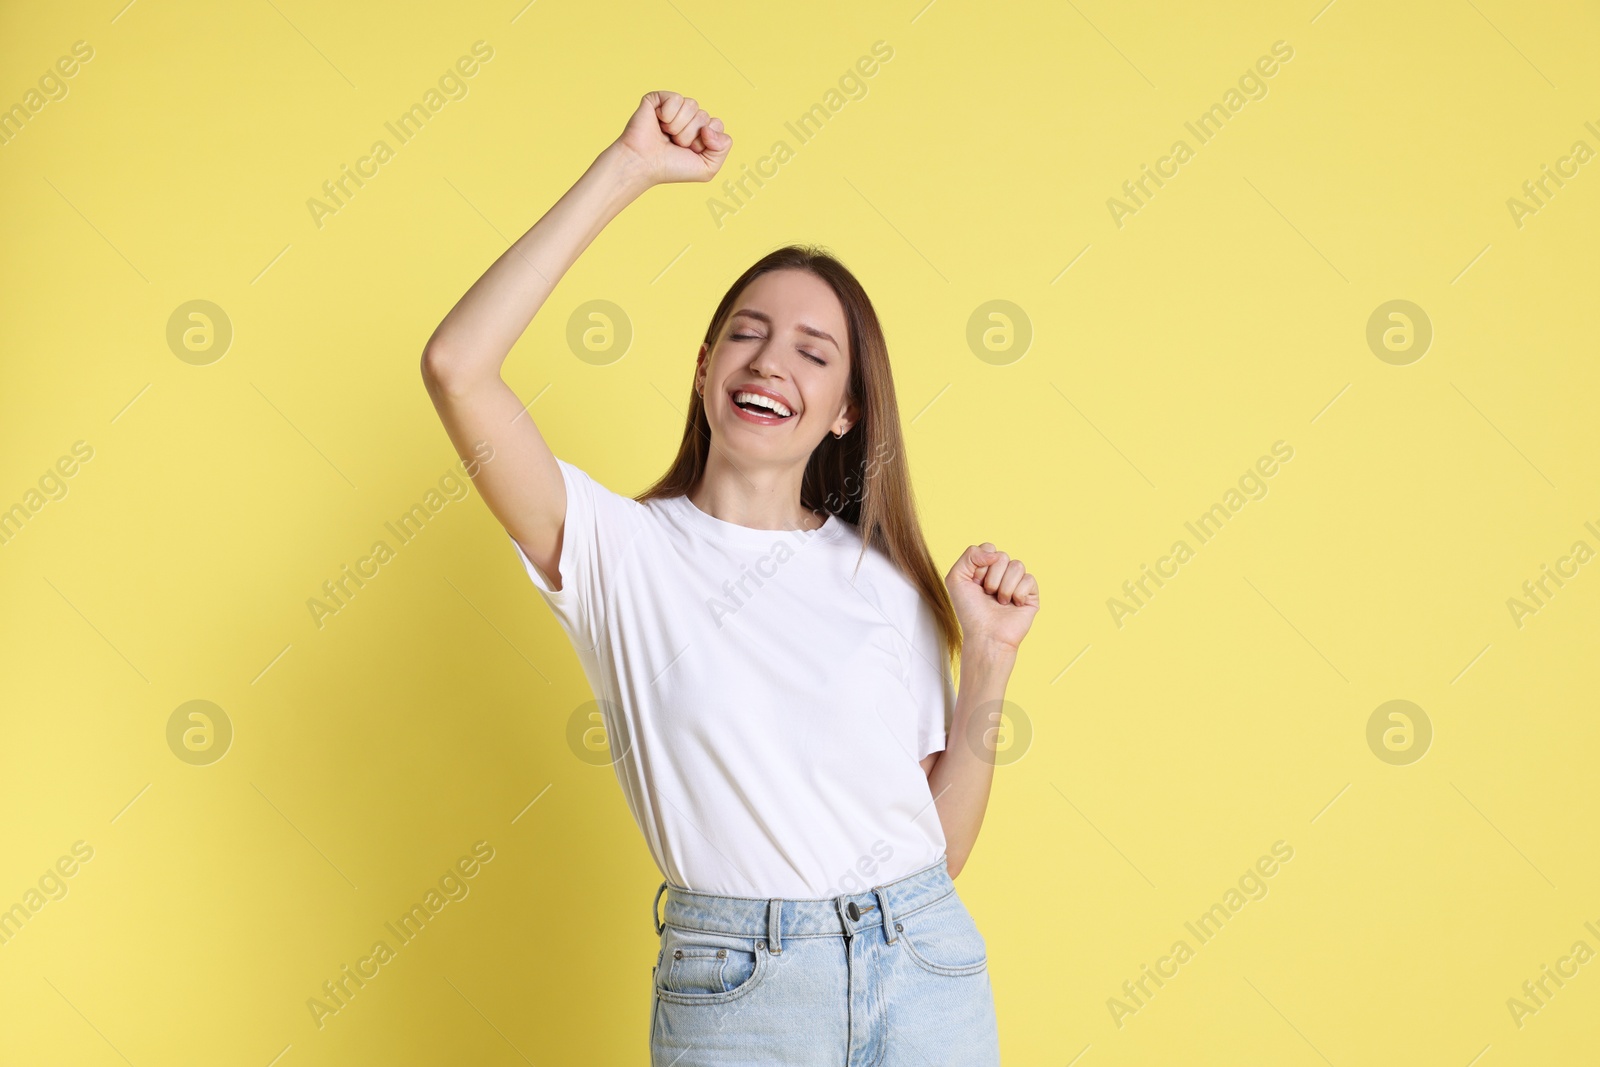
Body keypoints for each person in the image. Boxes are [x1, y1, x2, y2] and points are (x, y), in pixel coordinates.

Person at [421, 90, 1040, 1066]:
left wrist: (991, 664)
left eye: (813, 350)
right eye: (746, 333)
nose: (771, 361)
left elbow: (940, 849)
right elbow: (458, 364)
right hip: (742, 989)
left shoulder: (886, 584)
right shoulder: (617, 551)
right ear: (706, 366)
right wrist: (627, 166)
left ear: (844, 410)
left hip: (925, 966)